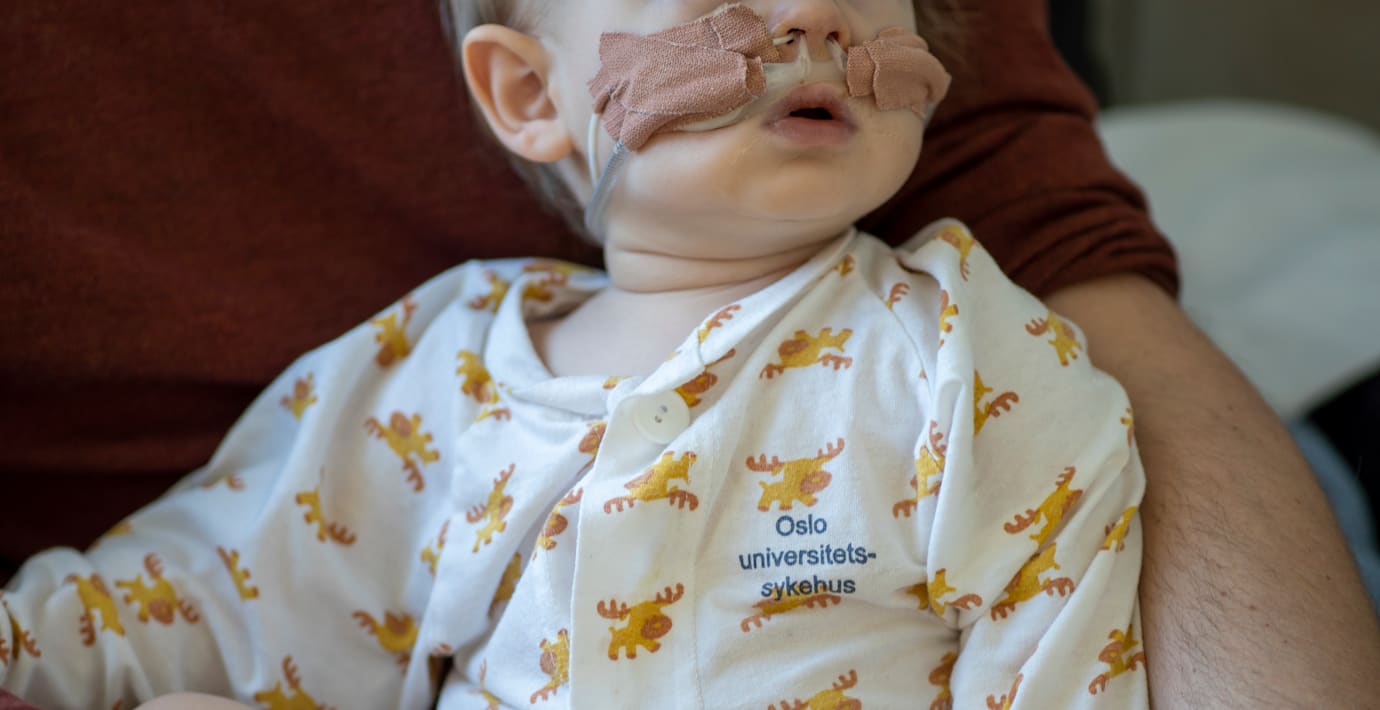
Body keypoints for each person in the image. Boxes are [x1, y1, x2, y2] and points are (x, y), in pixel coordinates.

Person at [2, 0, 1377, 708]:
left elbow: (1069, 658)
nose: (817, 17)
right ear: (530, 94)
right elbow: (227, 586)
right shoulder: (437, 378)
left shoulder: (967, 362)